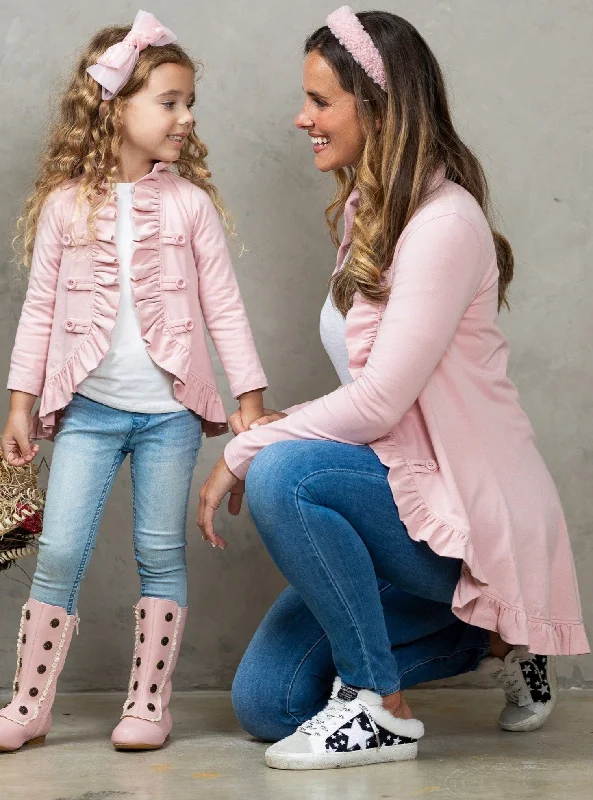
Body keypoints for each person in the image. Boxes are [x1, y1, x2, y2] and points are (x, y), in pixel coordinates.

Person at [197, 6, 589, 770]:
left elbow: (378, 403)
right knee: (268, 704)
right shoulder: (366, 210)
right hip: (398, 492)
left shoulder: (445, 223)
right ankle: (485, 636)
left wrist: (247, 447)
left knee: (283, 474)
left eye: (319, 101)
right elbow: (379, 398)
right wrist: (285, 424)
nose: (300, 117)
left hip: (462, 507)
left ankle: (378, 705)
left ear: (375, 109)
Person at [0, 10, 266, 754]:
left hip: (168, 415)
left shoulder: (190, 207)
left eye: (189, 103)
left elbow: (225, 308)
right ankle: (27, 703)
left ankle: (150, 704)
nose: (185, 116)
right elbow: (40, 312)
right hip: (85, 410)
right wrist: (21, 403)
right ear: (114, 107)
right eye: (169, 101)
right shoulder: (63, 206)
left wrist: (248, 400)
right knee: (57, 550)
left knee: (160, 552)